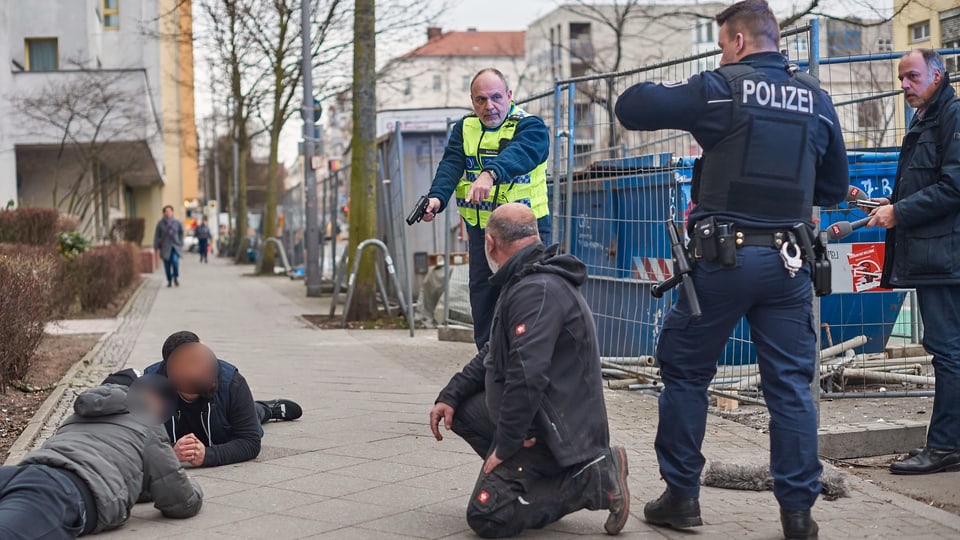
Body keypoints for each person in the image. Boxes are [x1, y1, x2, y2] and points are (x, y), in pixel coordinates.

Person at [614, 1, 848, 538]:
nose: (722, 53)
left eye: (722, 44)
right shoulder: (816, 97)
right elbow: (834, 188)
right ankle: (797, 515)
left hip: (725, 260)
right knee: (790, 386)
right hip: (791, 264)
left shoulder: (720, 87)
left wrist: (693, 87)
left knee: (687, 372)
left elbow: (632, 106)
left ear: (738, 42)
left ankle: (681, 498)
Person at [428, 203, 630, 538]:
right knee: (460, 412)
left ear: (490, 243)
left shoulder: (537, 290)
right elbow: (494, 352)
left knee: (486, 515)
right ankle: (535, 484)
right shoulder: (524, 280)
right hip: (541, 421)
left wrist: (506, 446)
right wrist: (450, 394)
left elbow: (527, 376)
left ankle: (591, 479)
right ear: (534, 235)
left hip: (555, 433)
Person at [869, 49, 960, 476]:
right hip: (938, 254)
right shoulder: (927, 119)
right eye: (901, 77)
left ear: (937, 75)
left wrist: (900, 212)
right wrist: (894, 203)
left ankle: (943, 447)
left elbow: (954, 187)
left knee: (947, 352)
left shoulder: (951, 117)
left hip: (946, 257)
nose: (904, 84)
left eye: (912, 76)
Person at [420, 68, 552, 350]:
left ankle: (529, 357)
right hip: (483, 231)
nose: (488, 106)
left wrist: (489, 174)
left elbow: (522, 154)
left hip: (525, 234)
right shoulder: (465, 128)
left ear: (509, 96)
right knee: (483, 296)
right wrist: (436, 199)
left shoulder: (530, 127)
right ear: (472, 100)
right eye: (480, 100)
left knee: (528, 295)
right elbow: (451, 165)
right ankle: (488, 362)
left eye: (495, 97)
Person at [0, 369, 203, 538]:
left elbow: (127, 475)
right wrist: (192, 485)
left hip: (21, 473)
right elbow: (180, 500)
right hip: (62, 490)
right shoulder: (147, 423)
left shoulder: (78, 415)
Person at [144, 331, 303, 467]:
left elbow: (250, 442)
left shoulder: (232, 382)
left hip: (223, 428)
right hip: (183, 433)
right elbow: (136, 442)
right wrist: (171, 453)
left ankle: (266, 409)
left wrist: (207, 455)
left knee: (252, 416)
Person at [154, 205, 184, 287]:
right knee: (167, 266)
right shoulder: (160, 224)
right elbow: (157, 236)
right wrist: (156, 247)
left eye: (170, 211)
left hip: (175, 246)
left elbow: (181, 233)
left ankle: (175, 277)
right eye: (166, 211)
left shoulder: (177, 222)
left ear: (172, 212)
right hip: (165, 247)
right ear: (164, 213)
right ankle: (169, 280)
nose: (168, 213)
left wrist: (181, 243)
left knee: (175, 262)